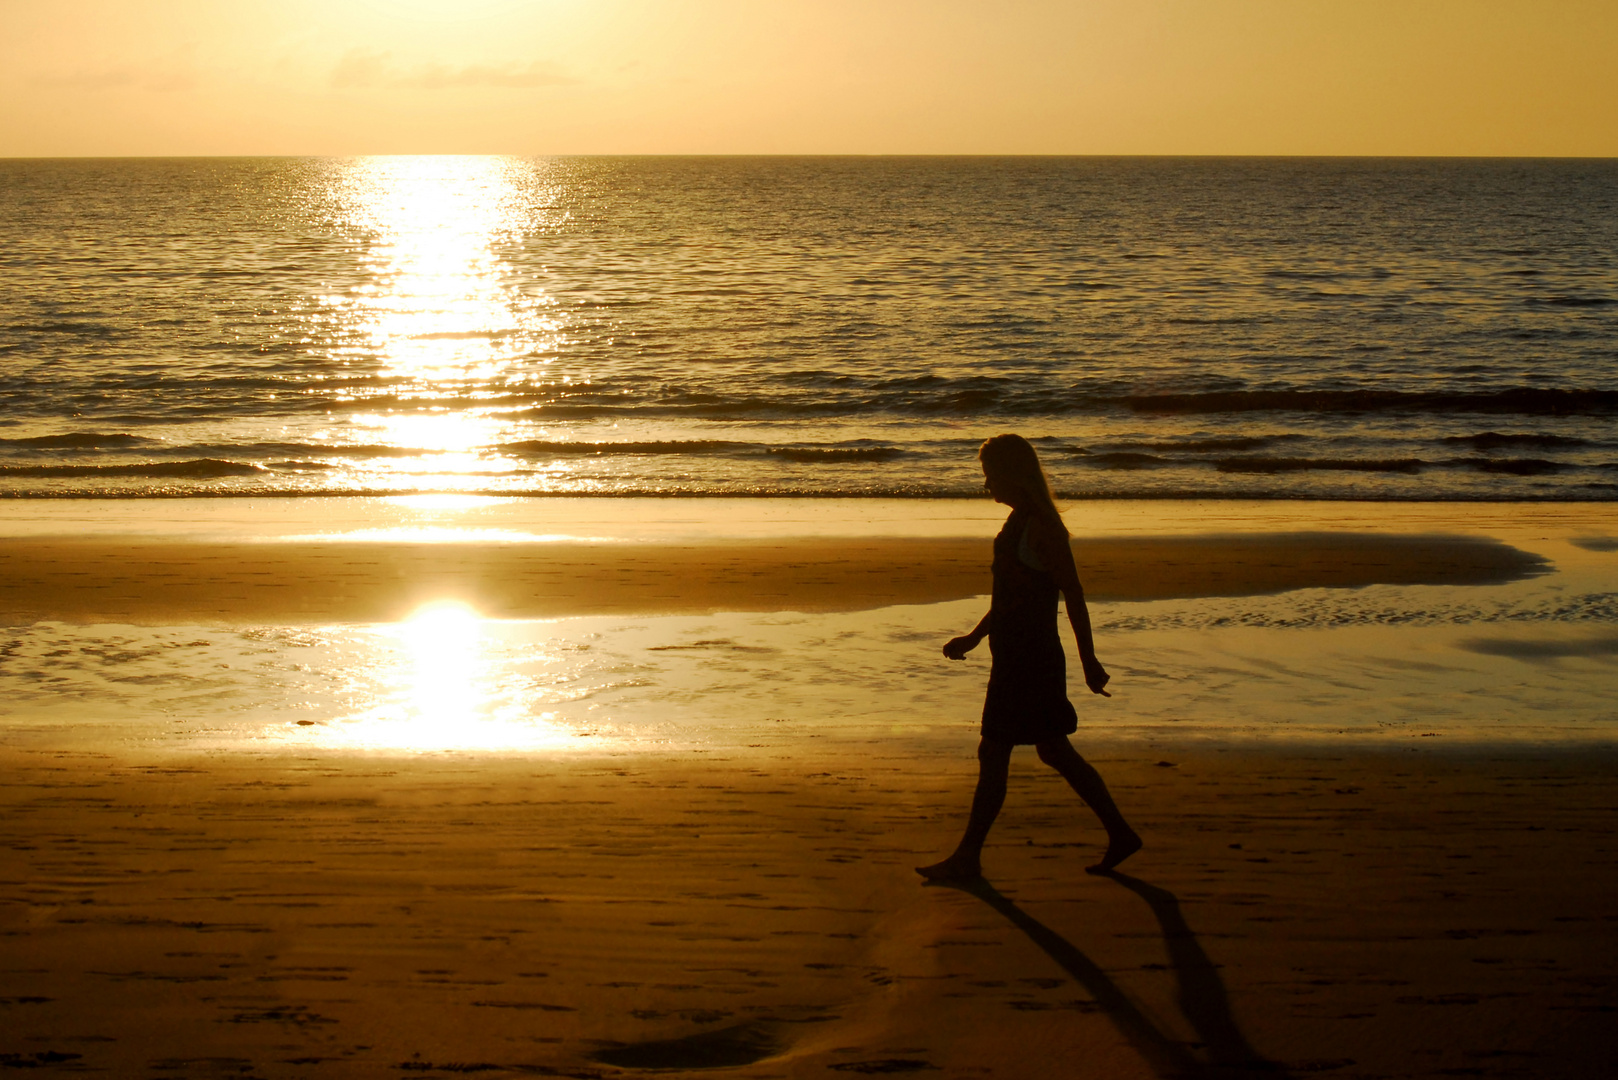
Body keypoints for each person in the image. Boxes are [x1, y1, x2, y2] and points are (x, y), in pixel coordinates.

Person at [917, 434, 1141, 881]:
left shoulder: (1041, 527)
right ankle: (1120, 832)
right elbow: (1010, 599)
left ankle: (968, 859)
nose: (986, 485)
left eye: (990, 475)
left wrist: (1089, 660)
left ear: (1012, 475)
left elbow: (1072, 594)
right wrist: (975, 637)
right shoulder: (1019, 522)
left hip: (1031, 660)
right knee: (1054, 750)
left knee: (996, 751)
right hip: (1014, 656)